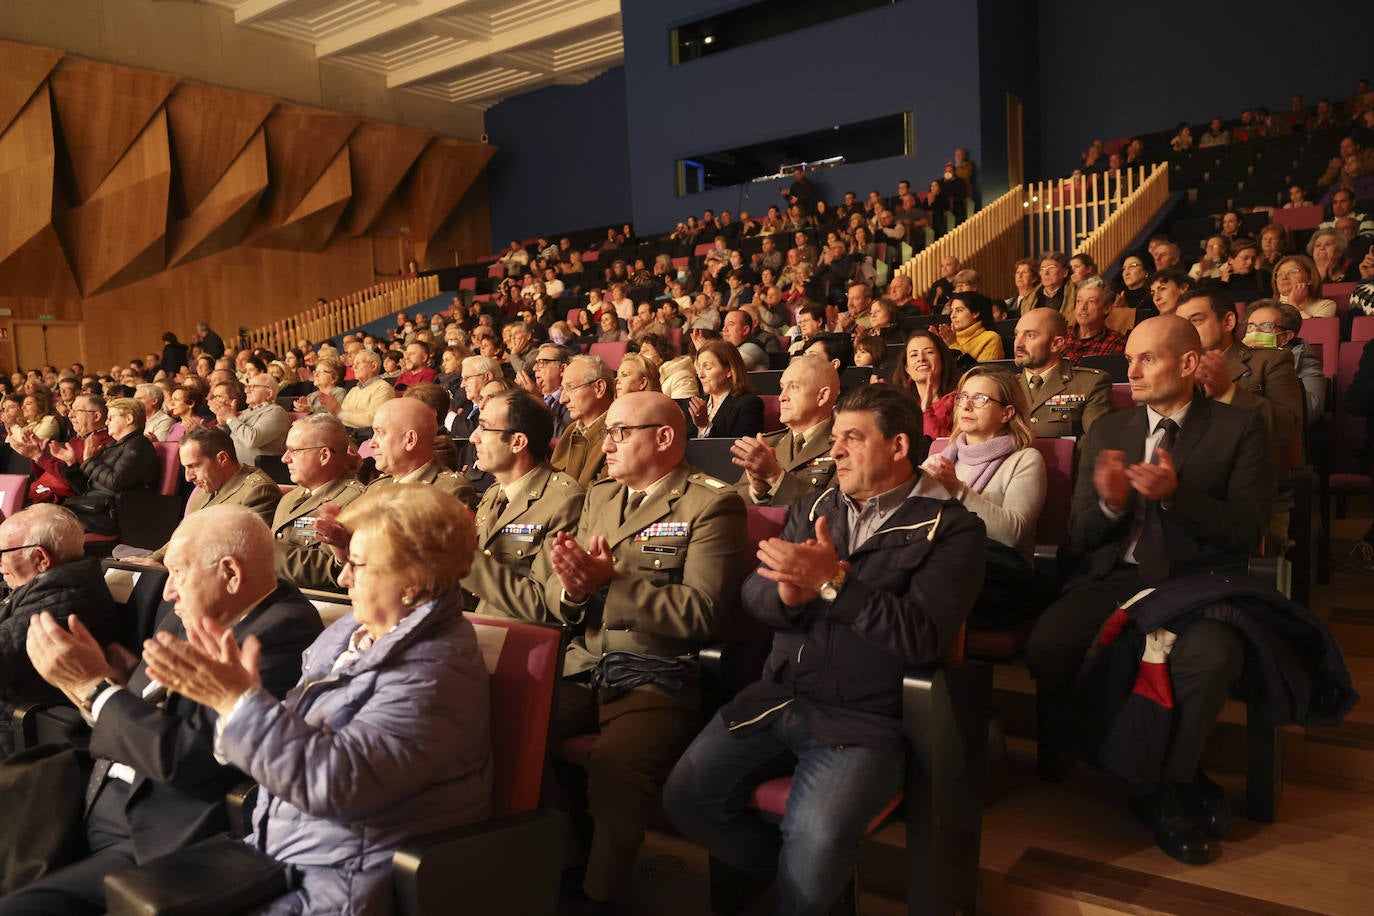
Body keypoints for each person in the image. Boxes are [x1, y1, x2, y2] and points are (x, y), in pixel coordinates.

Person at [663, 384, 985, 916]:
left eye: (851, 439)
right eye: (834, 438)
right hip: (779, 697)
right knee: (685, 798)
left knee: (814, 843)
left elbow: (923, 637)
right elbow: (753, 593)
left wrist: (834, 583)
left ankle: (806, 886)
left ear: (899, 446)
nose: (833, 451)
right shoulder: (815, 504)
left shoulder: (950, 528)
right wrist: (788, 595)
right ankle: (789, 881)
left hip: (865, 722)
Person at [138, 488, 491, 914]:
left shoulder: (437, 674)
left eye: (357, 566)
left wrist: (236, 701)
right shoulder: (352, 633)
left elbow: (336, 782)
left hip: (347, 879)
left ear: (411, 581)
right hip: (285, 851)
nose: (343, 579)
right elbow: (294, 735)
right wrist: (236, 707)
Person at [1025, 316, 1274, 866]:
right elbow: (1081, 534)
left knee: (1208, 662)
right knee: (1049, 647)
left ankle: (1160, 790)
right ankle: (1164, 771)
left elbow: (1247, 529)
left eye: (1148, 360)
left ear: (1188, 364)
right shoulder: (1110, 431)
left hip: (1199, 582)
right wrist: (1113, 506)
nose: (1130, 371)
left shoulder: (1241, 426)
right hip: (1116, 576)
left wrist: (1175, 497)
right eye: (1130, 359)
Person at [6, 506, 322, 914]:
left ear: (230, 573)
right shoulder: (183, 615)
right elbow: (137, 718)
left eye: (178, 573)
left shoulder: (281, 636)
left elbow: (194, 759)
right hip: (87, 793)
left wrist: (94, 690)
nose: (169, 592)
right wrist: (101, 690)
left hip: (149, 834)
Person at [547, 391, 750, 909]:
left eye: (619, 432)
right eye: (607, 431)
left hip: (657, 670)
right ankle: (558, 867)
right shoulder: (599, 496)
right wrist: (573, 591)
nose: (606, 443)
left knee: (616, 766)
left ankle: (600, 896)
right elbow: (560, 583)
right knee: (513, 728)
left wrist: (608, 585)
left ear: (663, 437)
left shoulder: (711, 502)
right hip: (584, 661)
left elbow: (701, 611)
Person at [919, 365, 1047, 626]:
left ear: (1006, 413)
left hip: (999, 575)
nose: (966, 407)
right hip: (943, 565)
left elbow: (1014, 534)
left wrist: (957, 489)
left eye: (979, 399)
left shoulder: (1025, 459)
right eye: (962, 397)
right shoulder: (942, 454)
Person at [0, 504, 117, 756]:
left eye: (3, 553)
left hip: (18, 729)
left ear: (41, 559)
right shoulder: (56, 583)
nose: (0, 563)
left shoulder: (62, 601)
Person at [462, 389, 583, 620]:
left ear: (517, 442)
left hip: (519, 640)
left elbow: (541, 605)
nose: (473, 437)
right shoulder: (493, 494)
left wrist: (464, 553)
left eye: (484, 428)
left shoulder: (564, 501)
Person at [1175, 289, 1303, 465]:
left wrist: (1228, 392)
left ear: (1228, 321)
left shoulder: (1271, 360)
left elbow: (1288, 428)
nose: (1187, 330)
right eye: (1182, 324)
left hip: (1249, 470)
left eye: (1196, 320)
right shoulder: (1177, 369)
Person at [140, 426, 281, 564]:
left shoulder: (258, 492)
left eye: (193, 466)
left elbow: (236, 555)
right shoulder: (209, 483)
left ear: (222, 459)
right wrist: (151, 561)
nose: (188, 477)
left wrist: (169, 569)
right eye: (185, 468)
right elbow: (184, 536)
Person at [270, 414, 367, 591]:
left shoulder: (353, 502)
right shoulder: (290, 498)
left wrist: (262, 548)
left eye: (294, 451)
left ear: (324, 456)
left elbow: (327, 570)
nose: (285, 459)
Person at [731, 354, 839, 508]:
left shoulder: (843, 446)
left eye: (794, 387)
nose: (781, 397)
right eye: (782, 388)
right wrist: (756, 491)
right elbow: (732, 504)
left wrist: (774, 476)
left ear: (822, 396)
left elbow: (833, 510)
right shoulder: (767, 444)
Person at [48, 397, 159, 536]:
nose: (106, 423)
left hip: (113, 516)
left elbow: (116, 482)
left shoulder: (139, 445)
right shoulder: (112, 445)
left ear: (129, 419)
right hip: (93, 508)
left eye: (111, 418)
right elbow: (86, 489)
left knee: (49, 527)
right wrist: (71, 464)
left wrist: (88, 461)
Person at [1013, 307, 1112, 438]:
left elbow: (1095, 441)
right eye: (1016, 335)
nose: (1018, 344)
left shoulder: (1090, 383)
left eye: (1030, 336)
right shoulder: (1007, 386)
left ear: (1056, 344)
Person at [361, 399, 476, 508]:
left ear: (410, 440)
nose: (372, 443)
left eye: (380, 433)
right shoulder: (375, 488)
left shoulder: (449, 493)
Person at [1243, 301, 1324, 424]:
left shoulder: (1304, 359)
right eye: (1251, 326)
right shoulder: (1239, 357)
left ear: (1286, 336)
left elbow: (1313, 409)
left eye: (1266, 326)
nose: (1255, 332)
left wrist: (1279, 368)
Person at [552, 354, 615, 487]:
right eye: (563, 389)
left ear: (599, 388)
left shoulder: (618, 436)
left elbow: (595, 499)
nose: (563, 399)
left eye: (570, 387)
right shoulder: (571, 430)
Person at [685, 340, 764, 439]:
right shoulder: (695, 404)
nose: (700, 375)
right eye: (699, 368)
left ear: (729, 370)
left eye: (708, 367)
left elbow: (738, 449)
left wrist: (705, 426)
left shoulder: (749, 405)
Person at [894, 329, 959, 439]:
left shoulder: (958, 402)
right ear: (907, 368)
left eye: (929, 352)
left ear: (942, 361)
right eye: (914, 355)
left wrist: (927, 413)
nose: (921, 358)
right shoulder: (900, 405)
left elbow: (947, 448)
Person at [210, 377, 289, 468]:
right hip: (234, 469)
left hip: (260, 472)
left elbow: (252, 439)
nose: (247, 390)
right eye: (247, 387)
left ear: (269, 393)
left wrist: (230, 417)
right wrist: (222, 424)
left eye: (253, 387)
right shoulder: (245, 412)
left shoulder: (276, 412)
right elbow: (222, 443)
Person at [336, 349, 395, 434]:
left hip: (367, 438)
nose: (354, 368)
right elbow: (340, 419)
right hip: (346, 434)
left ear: (373, 366)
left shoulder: (383, 388)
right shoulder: (353, 390)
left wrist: (341, 414)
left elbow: (372, 420)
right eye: (353, 365)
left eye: (358, 363)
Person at [937, 292, 1004, 362]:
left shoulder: (991, 338)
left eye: (959, 310)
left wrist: (953, 345)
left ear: (975, 313)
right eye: (951, 311)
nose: (952, 316)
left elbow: (982, 372)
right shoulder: (948, 338)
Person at [1271, 255, 1337, 318]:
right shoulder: (1268, 307)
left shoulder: (1325, 305)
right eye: (1280, 274)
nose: (1284, 277)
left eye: (1293, 272)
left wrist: (1293, 304)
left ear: (1310, 278)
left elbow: (1315, 329)